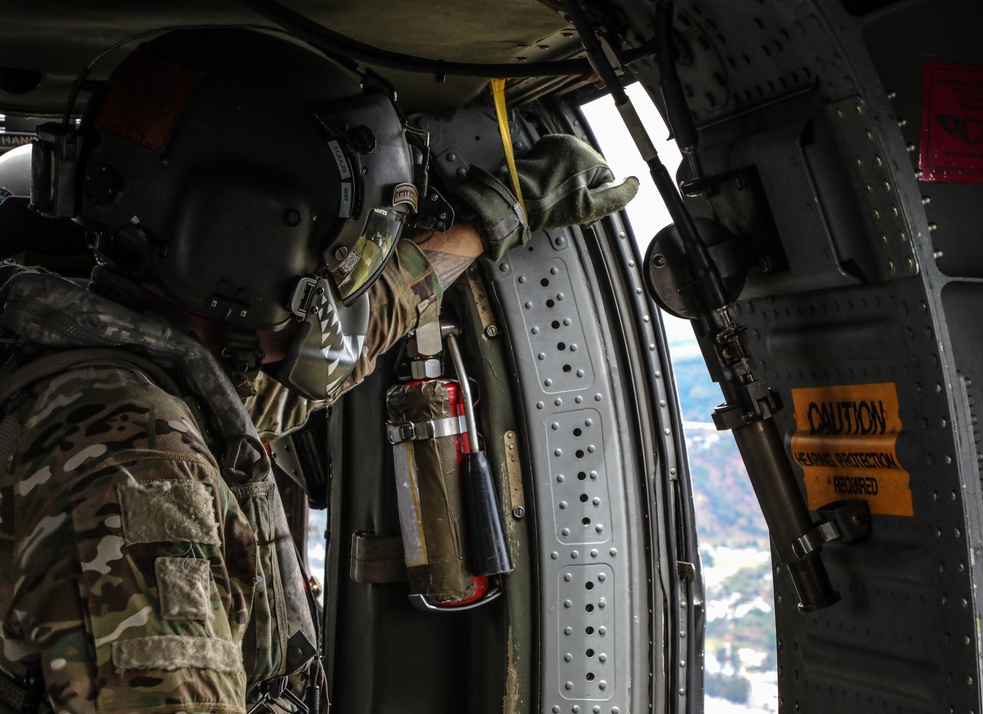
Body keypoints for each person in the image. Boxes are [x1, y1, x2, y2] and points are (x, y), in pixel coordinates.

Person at [0, 27, 637, 714]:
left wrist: (493, 218)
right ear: (256, 247)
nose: (350, 286)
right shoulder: (141, 463)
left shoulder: (90, 368)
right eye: (349, 252)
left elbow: (310, 365)